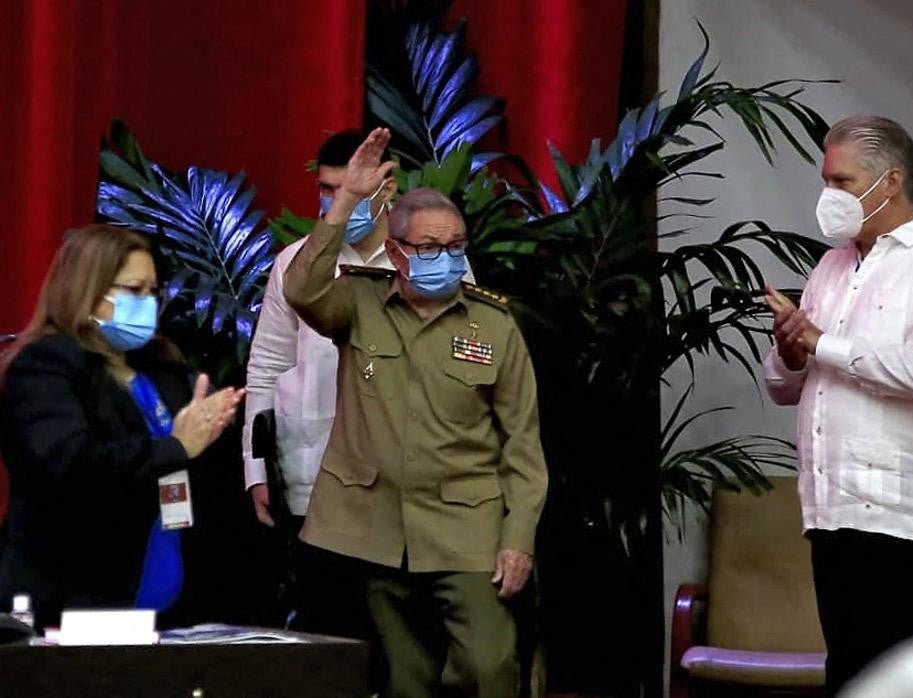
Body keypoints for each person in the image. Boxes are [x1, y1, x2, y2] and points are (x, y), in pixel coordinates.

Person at [284, 128, 547, 698]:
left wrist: (518, 538)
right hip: (375, 526)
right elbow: (301, 291)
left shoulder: (494, 326)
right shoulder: (358, 301)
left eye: (455, 247)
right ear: (398, 252)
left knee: (488, 666)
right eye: (430, 248)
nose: (446, 258)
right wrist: (348, 201)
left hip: (466, 526)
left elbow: (523, 445)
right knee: (405, 680)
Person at [763, 115, 913, 694]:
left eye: (841, 181)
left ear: (890, 182)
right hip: (836, 513)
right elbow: (788, 388)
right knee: (853, 675)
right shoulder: (832, 266)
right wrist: (791, 351)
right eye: (826, 180)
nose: (828, 196)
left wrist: (819, 342)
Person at [0, 225, 242, 629]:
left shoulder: (165, 369)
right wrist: (177, 446)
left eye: (153, 292)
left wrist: (214, 428)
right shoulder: (45, 367)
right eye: (133, 291)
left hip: (174, 615)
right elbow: (69, 465)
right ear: (86, 290)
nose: (146, 304)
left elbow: (203, 474)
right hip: (75, 605)